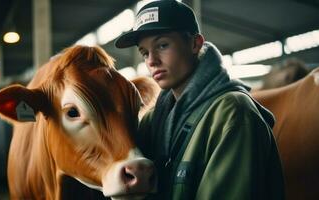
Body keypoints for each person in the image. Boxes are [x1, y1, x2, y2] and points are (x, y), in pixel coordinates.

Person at [115, 0, 285, 199]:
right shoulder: (153, 120)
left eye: (162, 45)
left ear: (195, 44)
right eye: (144, 52)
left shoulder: (233, 113)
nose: (151, 60)